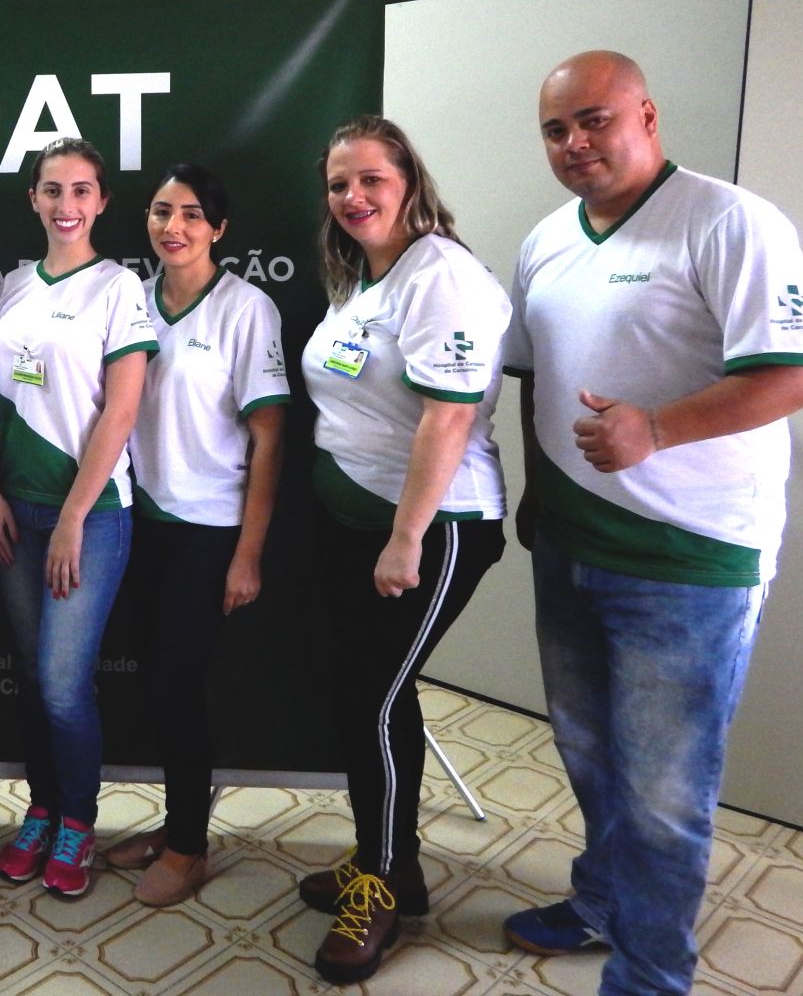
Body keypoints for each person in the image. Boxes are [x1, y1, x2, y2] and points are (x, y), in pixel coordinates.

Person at [500, 52, 803, 996]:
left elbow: (799, 373)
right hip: (570, 544)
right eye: (556, 129)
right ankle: (604, 901)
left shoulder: (729, 221)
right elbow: (534, 378)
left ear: (646, 115)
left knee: (663, 793)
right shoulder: (547, 239)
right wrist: (537, 495)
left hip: (688, 562)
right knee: (589, 754)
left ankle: (650, 976)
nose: (574, 142)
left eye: (594, 120)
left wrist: (659, 428)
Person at [297, 116, 511, 985]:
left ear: (409, 183)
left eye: (371, 180)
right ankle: (395, 864)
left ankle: (379, 890)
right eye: (339, 184)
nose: (353, 197)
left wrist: (406, 537)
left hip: (433, 528)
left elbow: (449, 417)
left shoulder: (440, 275)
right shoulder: (365, 279)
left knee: (372, 703)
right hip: (359, 526)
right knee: (373, 698)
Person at [103, 163, 289, 906]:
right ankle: (173, 825)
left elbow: (269, 439)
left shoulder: (247, 309)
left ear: (218, 228)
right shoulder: (131, 298)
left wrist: (248, 554)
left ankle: (187, 846)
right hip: (133, 520)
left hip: (206, 529)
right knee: (152, 685)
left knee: (178, 686)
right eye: (160, 212)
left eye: (189, 215)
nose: (172, 227)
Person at [0, 137, 157, 899]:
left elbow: (121, 411)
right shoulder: (13, 283)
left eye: (82, 191)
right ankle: (42, 809)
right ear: (33, 198)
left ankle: (78, 821)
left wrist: (72, 518)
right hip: (14, 512)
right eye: (53, 190)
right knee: (31, 678)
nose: (67, 205)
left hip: (89, 517)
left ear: (101, 201)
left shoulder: (119, 288)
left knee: (62, 685)